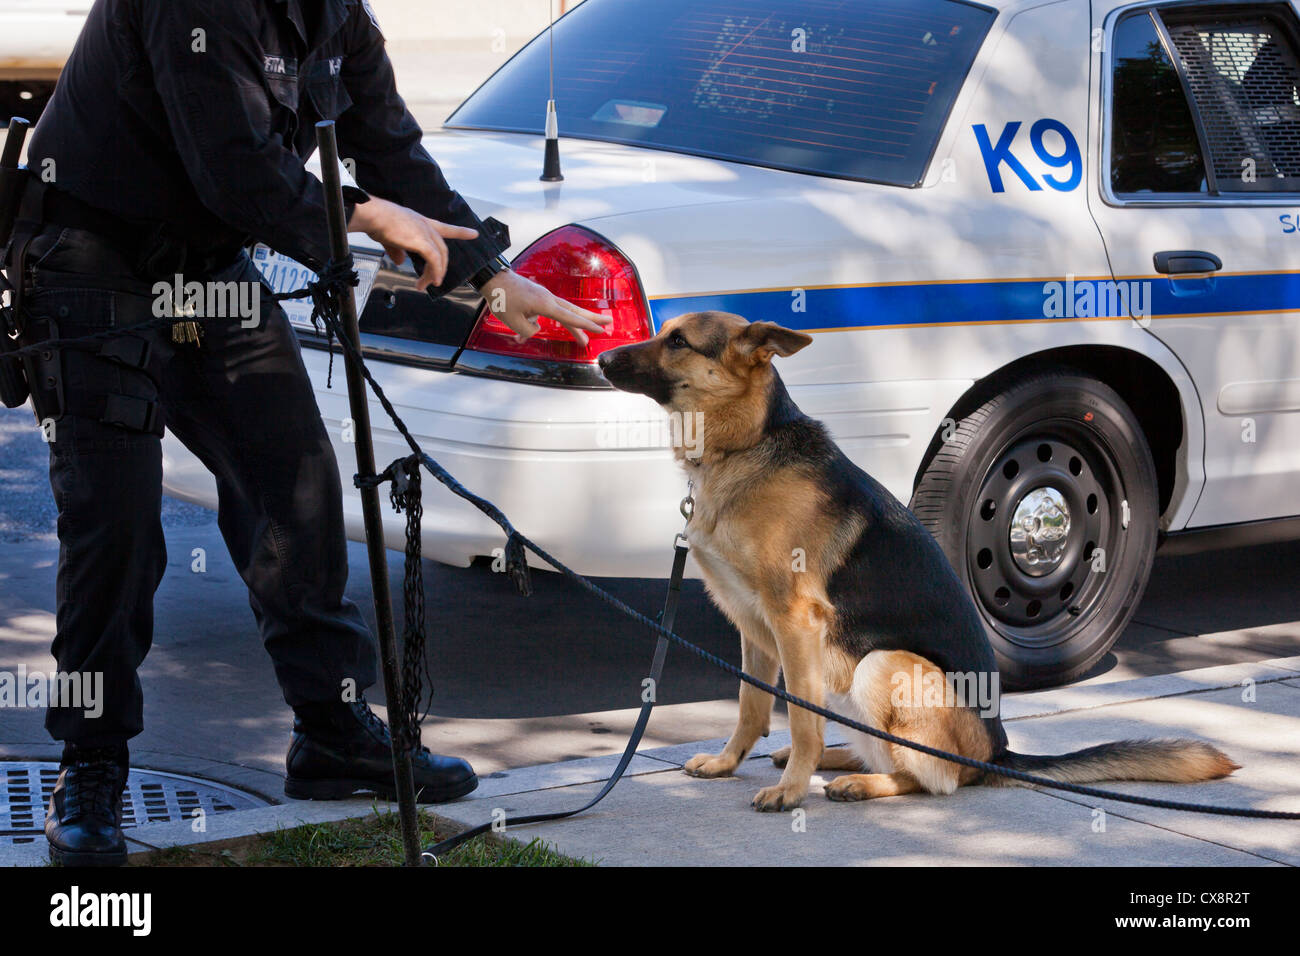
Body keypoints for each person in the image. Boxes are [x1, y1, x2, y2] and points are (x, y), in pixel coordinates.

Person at [2, 0, 609, 867]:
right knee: (117, 524)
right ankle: (91, 766)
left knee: (296, 485)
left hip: (207, 271)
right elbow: (234, 167)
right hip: (88, 258)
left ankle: (332, 735)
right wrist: (364, 215)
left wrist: (493, 278)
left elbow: (392, 144)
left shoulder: (335, 14)